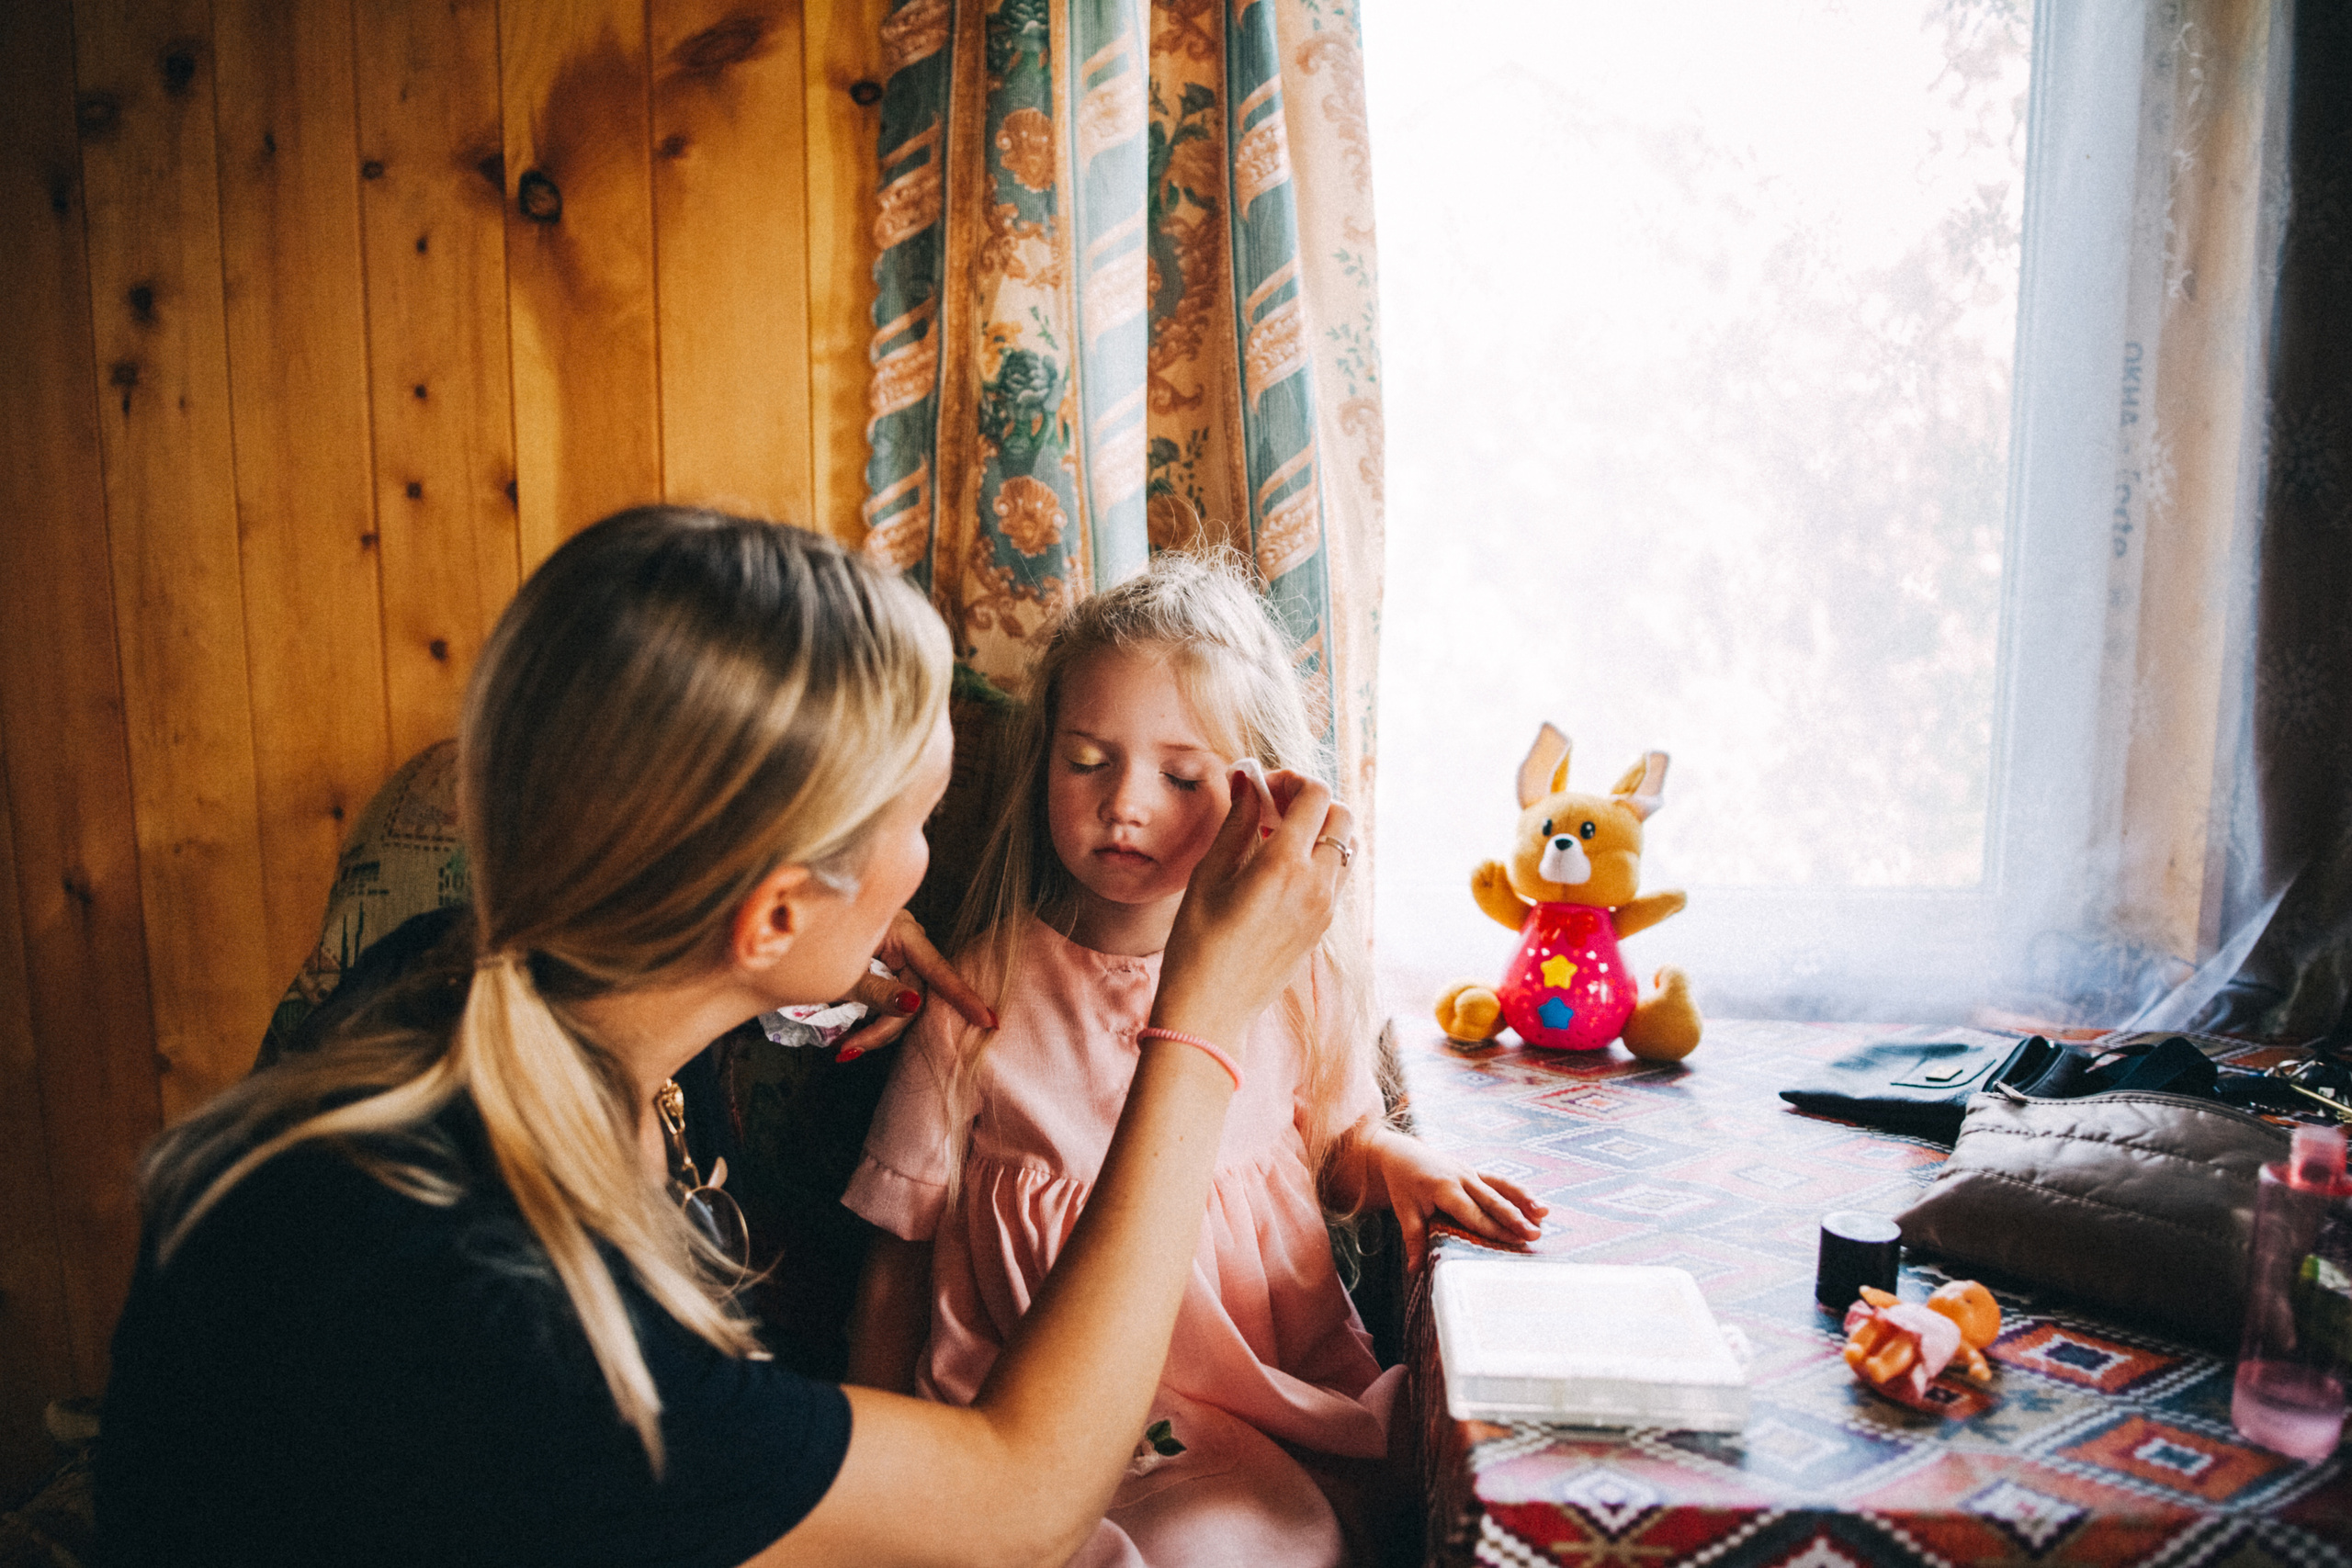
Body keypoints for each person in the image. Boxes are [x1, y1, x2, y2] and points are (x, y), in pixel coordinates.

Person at [96, 508, 1357, 1568]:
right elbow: (1017, 1505)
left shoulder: (442, 988)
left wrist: (770, 971)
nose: (927, 870)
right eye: (917, 824)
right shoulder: (522, 1314)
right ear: (764, 909)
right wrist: (1194, 1017)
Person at [842, 554, 1547, 1568]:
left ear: (1259, 791)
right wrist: (878, 1483)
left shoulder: (1288, 974)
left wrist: (1396, 1162)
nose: (1124, 804)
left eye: (1178, 777)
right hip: (1025, 1415)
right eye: (1086, 761)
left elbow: (1335, 1150)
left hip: (1252, 1407)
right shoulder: (978, 989)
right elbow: (897, 1253)